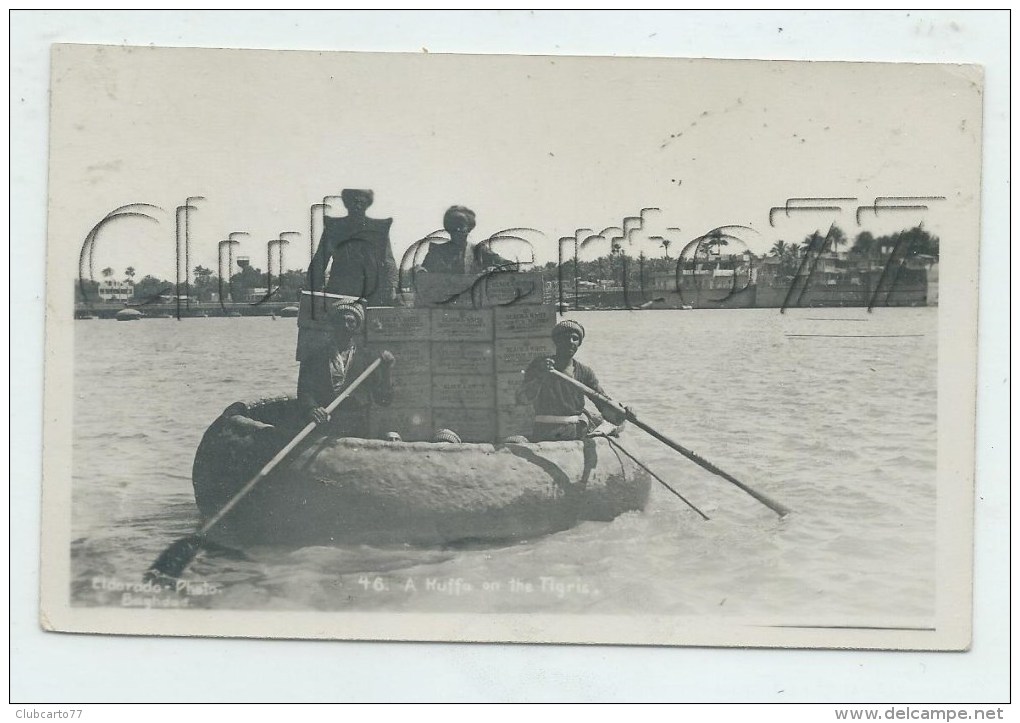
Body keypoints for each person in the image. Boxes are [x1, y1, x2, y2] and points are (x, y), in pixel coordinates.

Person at [518, 320, 628, 442]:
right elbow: (523, 399)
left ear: (579, 343)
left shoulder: (585, 372)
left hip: (574, 429)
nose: (570, 342)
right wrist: (540, 376)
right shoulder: (540, 365)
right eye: (565, 338)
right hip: (546, 430)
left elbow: (602, 402)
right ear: (557, 341)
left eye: (574, 338)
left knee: (616, 425)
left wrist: (623, 412)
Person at [297, 301, 396, 437]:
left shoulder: (367, 358)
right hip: (323, 423)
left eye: (351, 322)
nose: (345, 326)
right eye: (340, 321)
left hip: (356, 425)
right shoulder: (316, 356)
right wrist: (312, 408)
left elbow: (383, 400)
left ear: (357, 327)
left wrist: (386, 370)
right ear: (333, 325)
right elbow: (304, 390)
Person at [307, 189, 398, 306]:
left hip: (372, 292)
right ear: (347, 204)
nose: (357, 206)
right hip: (340, 291)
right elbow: (320, 260)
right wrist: (312, 289)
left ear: (367, 205)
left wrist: (392, 286)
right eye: (353, 202)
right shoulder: (334, 228)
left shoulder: (378, 229)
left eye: (361, 202)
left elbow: (388, 260)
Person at [418, 206, 512, 275]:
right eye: (453, 227)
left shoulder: (479, 251)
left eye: (461, 226)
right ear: (448, 229)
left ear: (469, 229)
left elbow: (511, 265)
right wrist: (419, 271)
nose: (457, 230)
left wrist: (496, 269)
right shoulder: (437, 252)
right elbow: (423, 272)